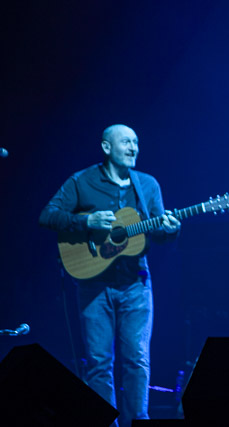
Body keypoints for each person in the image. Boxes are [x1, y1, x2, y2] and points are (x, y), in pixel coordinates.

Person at [39, 124, 181, 426]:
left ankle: (137, 421)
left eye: (136, 142)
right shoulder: (82, 181)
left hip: (136, 283)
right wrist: (87, 220)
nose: (133, 148)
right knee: (99, 363)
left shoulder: (147, 184)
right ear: (106, 147)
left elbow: (157, 232)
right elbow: (48, 215)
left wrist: (170, 230)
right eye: (126, 142)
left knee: (137, 361)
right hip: (93, 283)